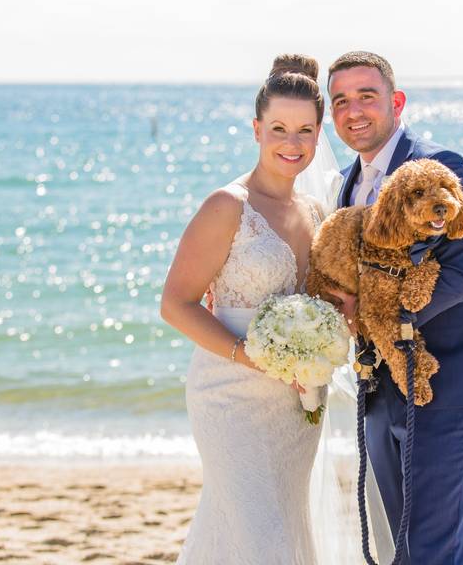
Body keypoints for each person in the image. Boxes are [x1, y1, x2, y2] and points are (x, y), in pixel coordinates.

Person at [327, 51, 463, 564]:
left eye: (366, 96)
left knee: (436, 549)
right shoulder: (349, 182)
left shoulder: (444, 167)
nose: (354, 111)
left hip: (451, 381)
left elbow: (462, 275)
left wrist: (377, 319)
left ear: (396, 102)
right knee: (402, 548)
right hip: (381, 388)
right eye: (340, 100)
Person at [160, 54, 330, 565]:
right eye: (278, 127)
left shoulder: (317, 213)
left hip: (297, 403)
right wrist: (246, 355)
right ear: (256, 129)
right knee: (260, 538)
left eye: (305, 130)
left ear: (320, 135)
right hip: (230, 397)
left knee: (272, 530)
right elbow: (176, 304)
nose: (292, 143)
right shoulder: (227, 205)